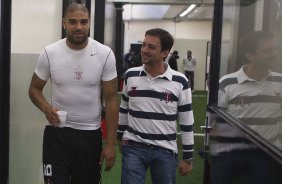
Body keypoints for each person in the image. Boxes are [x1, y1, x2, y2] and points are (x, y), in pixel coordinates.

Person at [28, 3, 118, 184]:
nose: (79, 27)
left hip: (90, 136)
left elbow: (111, 100)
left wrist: (110, 143)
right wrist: (46, 108)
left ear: (90, 23)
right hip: (57, 136)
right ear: (64, 23)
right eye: (73, 22)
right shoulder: (49, 52)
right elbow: (34, 89)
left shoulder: (105, 54)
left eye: (83, 22)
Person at [117, 28, 194, 184]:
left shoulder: (180, 82)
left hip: (165, 150)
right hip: (133, 147)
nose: (144, 50)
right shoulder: (130, 75)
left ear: (165, 53)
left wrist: (188, 156)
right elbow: (124, 108)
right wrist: (120, 137)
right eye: (144, 45)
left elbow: (186, 121)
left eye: (151, 47)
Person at [209, 31, 282, 184]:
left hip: (269, 158)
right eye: (267, 50)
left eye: (274, 49)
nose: (273, 54)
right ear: (250, 55)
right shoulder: (227, 84)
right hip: (231, 157)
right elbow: (213, 123)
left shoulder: (280, 82)